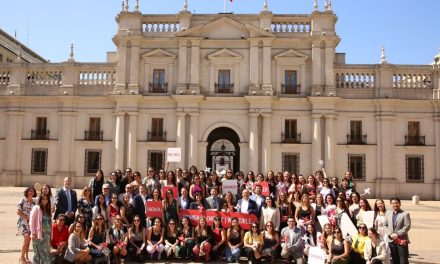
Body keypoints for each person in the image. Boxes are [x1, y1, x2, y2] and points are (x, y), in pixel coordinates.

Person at [384, 197, 411, 264]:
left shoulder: (405, 214)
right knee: (395, 260)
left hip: (401, 240)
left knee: (403, 260)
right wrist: (390, 234)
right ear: (391, 204)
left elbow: (407, 227)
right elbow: (385, 225)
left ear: (400, 204)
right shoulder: (388, 213)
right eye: (393, 203)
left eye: (396, 203)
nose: (395, 204)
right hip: (391, 240)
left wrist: (397, 234)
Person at [29, 194, 52, 264]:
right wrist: (33, 233)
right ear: (40, 200)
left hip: (47, 236)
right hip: (38, 235)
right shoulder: (36, 208)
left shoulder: (48, 210)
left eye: (46, 199)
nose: (45, 201)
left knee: (46, 253)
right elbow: (31, 221)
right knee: (38, 253)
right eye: (43, 199)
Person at [17, 186, 36, 264]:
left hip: (31, 223)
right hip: (24, 223)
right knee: (26, 240)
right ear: (27, 192)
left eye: (32, 191)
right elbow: (18, 212)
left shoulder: (34, 201)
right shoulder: (23, 200)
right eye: (29, 191)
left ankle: (25, 257)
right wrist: (27, 218)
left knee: (28, 241)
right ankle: (21, 258)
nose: (31, 192)